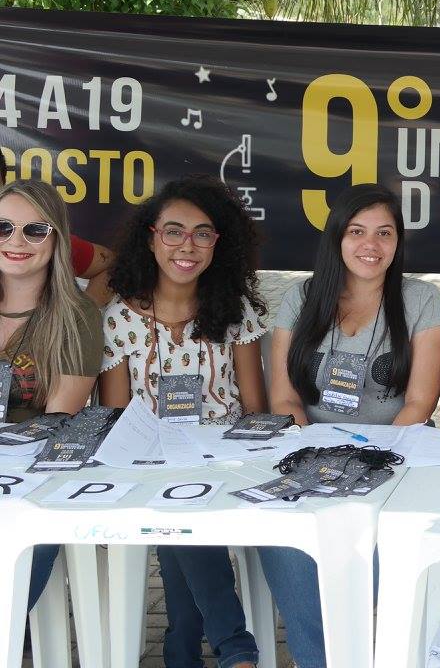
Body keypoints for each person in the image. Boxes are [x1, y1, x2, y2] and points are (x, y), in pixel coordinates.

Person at [260, 183, 440, 668]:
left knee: (375, 555)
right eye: (357, 231)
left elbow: (421, 401)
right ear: (337, 237)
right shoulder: (302, 297)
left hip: (396, 458)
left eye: (385, 233)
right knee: (284, 542)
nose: (371, 245)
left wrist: (368, 462)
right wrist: (313, 459)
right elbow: (284, 397)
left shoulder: (421, 299)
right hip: (308, 454)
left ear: (398, 241)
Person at [98, 176, 268, 668]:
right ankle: (233, 648)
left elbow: (255, 408)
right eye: (173, 231)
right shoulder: (118, 317)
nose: (187, 246)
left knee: (182, 523)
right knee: (179, 512)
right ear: (151, 238)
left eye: (202, 233)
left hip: (227, 459)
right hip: (150, 461)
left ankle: (185, 648)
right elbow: (117, 418)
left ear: (219, 243)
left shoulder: (235, 311)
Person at [0, 180, 103, 613]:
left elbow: (56, 424)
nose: (16, 241)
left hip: (29, 479)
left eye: (35, 230)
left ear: (57, 238)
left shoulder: (76, 317)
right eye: (3, 227)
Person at [0, 154, 116, 302]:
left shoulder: (43, 243)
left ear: (4, 187)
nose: (16, 242)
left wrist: (88, 310)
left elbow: (111, 264)